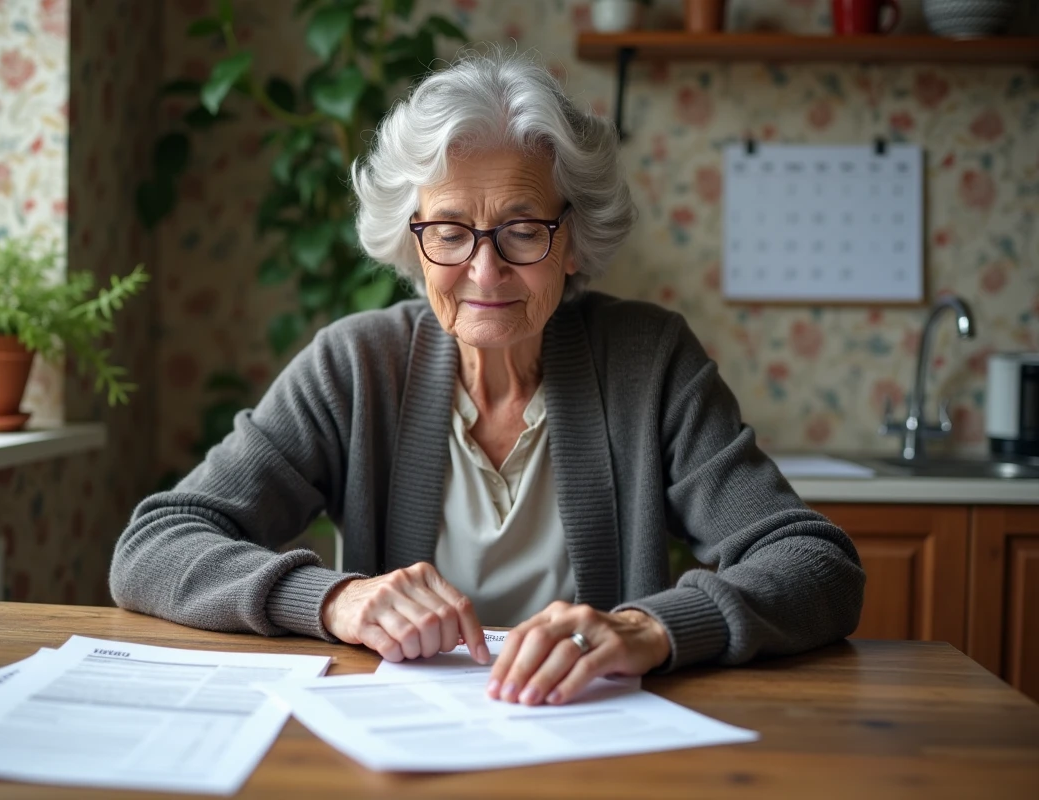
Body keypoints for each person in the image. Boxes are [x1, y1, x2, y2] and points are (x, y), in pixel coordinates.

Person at [111, 48, 864, 708]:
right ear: (414, 243)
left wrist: (649, 628)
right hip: (404, 739)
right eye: (449, 232)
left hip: (592, 734)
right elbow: (154, 545)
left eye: (522, 230)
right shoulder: (354, 365)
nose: (484, 270)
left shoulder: (650, 361)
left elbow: (816, 564)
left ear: (573, 239)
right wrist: (336, 599)